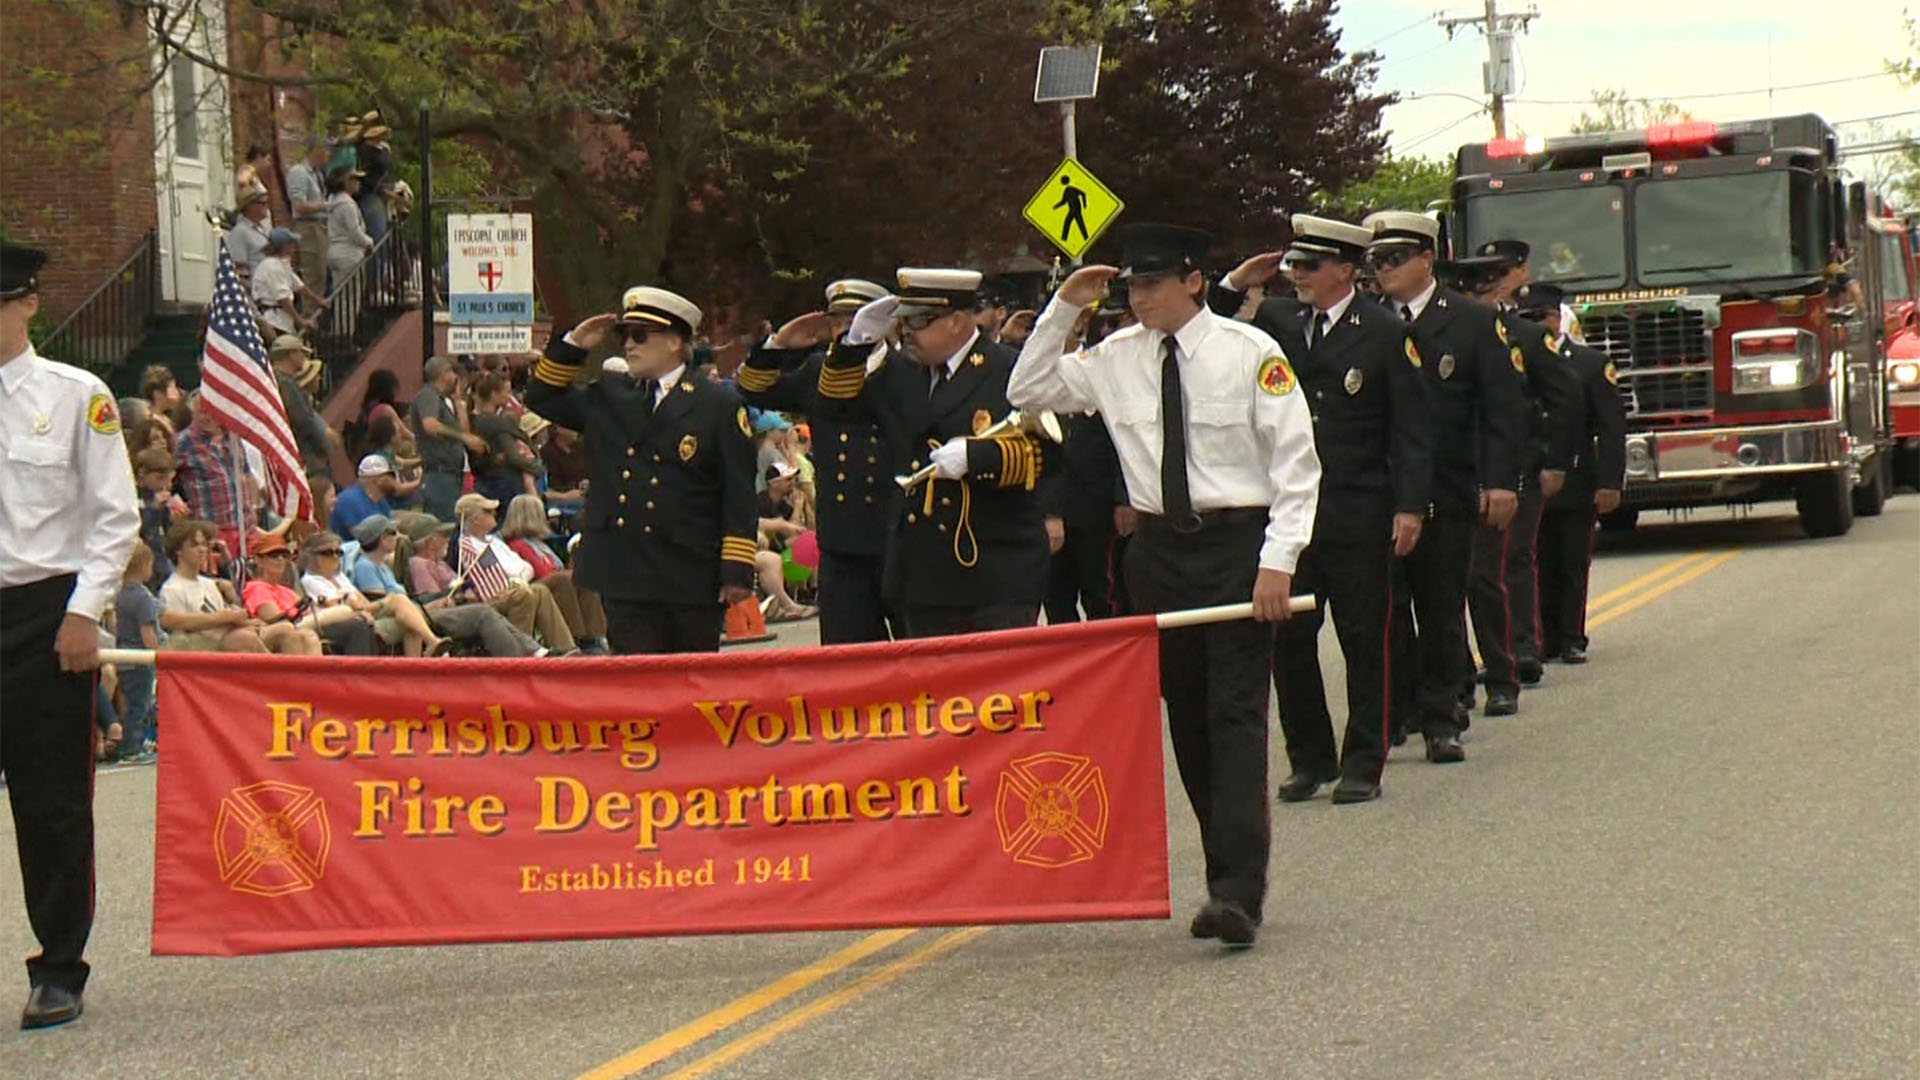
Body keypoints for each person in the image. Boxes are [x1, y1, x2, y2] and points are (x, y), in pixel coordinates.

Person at [1009, 224, 1321, 948]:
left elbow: (1296, 462)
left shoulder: (1252, 354)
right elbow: (1027, 389)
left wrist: (1280, 558)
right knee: (1188, 720)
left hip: (1238, 544)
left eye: (1152, 284)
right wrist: (1064, 308)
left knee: (1235, 714)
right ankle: (1224, 870)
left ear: (1193, 281)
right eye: (1131, 288)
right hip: (1159, 554)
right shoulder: (1115, 357)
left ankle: (1237, 890)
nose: (1140, 299)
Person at [1211, 214, 1433, 802]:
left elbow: (1411, 426)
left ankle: (1364, 760)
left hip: (1357, 508)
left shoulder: (1383, 331)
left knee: (1365, 639)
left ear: (1345, 269)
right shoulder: (1277, 323)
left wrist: (1410, 505)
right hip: (1289, 512)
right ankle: (1309, 758)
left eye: (1310, 266)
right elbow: (1205, 319)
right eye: (1293, 266)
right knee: (1287, 638)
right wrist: (1237, 281)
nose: (1297, 277)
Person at [0, 243, 141, 1029]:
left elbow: (113, 515)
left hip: (45, 612)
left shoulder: (76, 395)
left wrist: (86, 611)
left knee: (51, 803)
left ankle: (58, 965)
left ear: (26, 304)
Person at [1360, 211, 1529, 758]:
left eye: (1395, 259)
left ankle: (1441, 716)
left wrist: (1501, 480)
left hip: (1448, 486)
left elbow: (1501, 408)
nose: (1384, 270)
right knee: (1386, 609)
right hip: (1380, 490)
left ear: (1426, 259)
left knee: (1439, 605)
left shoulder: (1470, 321)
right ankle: (1398, 709)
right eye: (1376, 261)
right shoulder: (1366, 323)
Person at [816, 268, 1056, 638]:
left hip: (993, 563)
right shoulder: (900, 372)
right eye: (904, 321)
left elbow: (1048, 451)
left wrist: (977, 458)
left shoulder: (1008, 370)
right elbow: (837, 408)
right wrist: (855, 343)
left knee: (994, 690)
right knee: (934, 690)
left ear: (957, 321)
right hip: (922, 568)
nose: (908, 331)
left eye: (920, 321)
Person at [524, 287, 759, 654]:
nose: (628, 346)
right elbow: (541, 397)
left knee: (689, 684)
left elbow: (738, 491)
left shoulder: (717, 404)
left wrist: (736, 568)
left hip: (688, 569)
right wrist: (575, 345)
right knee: (637, 685)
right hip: (625, 567)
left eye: (639, 335)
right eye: (623, 336)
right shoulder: (612, 395)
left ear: (673, 342)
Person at [736, 277, 899, 643]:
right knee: (848, 656)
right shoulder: (816, 372)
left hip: (896, 534)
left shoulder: (904, 368)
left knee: (916, 658)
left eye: (852, 319)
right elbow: (752, 389)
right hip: (842, 537)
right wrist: (778, 345)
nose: (843, 329)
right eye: (836, 321)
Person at [1459, 246, 1582, 715]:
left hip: (1518, 469)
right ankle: (1464, 671)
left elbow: (1564, 398)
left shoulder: (1526, 337)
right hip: (1460, 471)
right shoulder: (1442, 335)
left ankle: (1519, 648)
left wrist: (1554, 461)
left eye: (1481, 288)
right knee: (1465, 575)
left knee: (1507, 562)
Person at [1512, 283, 1626, 666]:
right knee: (1535, 559)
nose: (1537, 324)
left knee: (1573, 560)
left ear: (1558, 317)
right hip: (1530, 475)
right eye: (1527, 318)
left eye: (1542, 316)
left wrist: (1610, 482)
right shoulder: (1513, 358)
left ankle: (1573, 635)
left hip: (1577, 477)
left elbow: (1611, 428)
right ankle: (1542, 637)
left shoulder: (1590, 363)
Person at [392, 515, 544, 657]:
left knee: (524, 596)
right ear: (431, 541)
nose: (448, 540)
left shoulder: (441, 564)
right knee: (483, 613)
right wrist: (458, 597)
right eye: (443, 536)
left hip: (465, 605)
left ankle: (536, 651)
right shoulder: (420, 565)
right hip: (439, 615)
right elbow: (430, 600)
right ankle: (518, 660)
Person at [452, 493, 579, 653]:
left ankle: (566, 647)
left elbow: (526, 567)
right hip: (488, 598)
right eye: (488, 512)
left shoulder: (494, 541)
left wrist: (514, 580)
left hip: (510, 589)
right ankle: (520, 653)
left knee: (539, 590)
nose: (494, 514)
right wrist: (466, 588)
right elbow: (457, 574)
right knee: (524, 594)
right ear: (475, 518)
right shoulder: (463, 545)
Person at [303, 521, 452, 657]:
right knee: (406, 611)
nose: (336, 557)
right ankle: (430, 643)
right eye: (328, 553)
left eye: (338, 552)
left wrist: (367, 606)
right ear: (312, 557)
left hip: (369, 612)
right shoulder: (313, 581)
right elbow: (342, 608)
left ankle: (421, 659)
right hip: (345, 625)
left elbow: (362, 601)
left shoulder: (340, 577)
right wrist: (379, 604)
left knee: (409, 612)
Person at [498, 493, 608, 651]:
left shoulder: (539, 544)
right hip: (531, 588)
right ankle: (577, 637)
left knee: (582, 576)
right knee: (563, 579)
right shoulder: (518, 545)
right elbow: (542, 572)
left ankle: (595, 635)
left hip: (554, 581)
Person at [412, 356, 485, 521]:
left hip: (452, 476)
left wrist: (458, 402)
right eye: (453, 372)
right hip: (439, 476)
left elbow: (464, 433)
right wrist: (463, 437)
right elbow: (430, 425)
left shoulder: (444, 401)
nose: (456, 378)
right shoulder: (428, 395)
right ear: (443, 373)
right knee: (443, 525)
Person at [267, 336, 334, 471]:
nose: (304, 357)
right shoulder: (286, 384)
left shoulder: (274, 379)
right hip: (304, 454)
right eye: (301, 352)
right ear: (291, 354)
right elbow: (303, 420)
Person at [252, 229, 327, 336]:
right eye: (291, 244)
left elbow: (299, 285)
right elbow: (283, 299)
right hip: (274, 321)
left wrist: (318, 300)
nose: (294, 247)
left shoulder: (282, 264)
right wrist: (300, 321)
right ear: (285, 246)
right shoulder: (272, 266)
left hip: (283, 321)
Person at [286, 135, 332, 298]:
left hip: (319, 226)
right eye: (327, 149)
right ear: (317, 150)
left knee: (321, 275)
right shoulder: (299, 172)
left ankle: (315, 318)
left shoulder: (317, 174)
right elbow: (299, 205)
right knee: (313, 275)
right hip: (308, 227)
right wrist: (325, 205)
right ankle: (309, 318)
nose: (329, 154)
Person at [324, 164, 374, 292]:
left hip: (335, 250)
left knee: (341, 296)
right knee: (351, 298)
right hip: (349, 254)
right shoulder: (347, 204)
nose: (358, 183)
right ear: (345, 182)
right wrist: (368, 242)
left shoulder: (333, 200)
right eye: (354, 179)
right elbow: (354, 232)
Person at [331, 453, 397, 537]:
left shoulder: (379, 498)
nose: (394, 480)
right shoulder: (350, 500)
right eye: (391, 476)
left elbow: (390, 527)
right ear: (379, 480)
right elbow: (363, 538)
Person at [224, 186, 273, 273]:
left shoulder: (263, 229)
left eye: (267, 202)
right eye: (263, 203)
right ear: (249, 206)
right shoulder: (240, 232)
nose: (267, 206)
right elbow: (239, 268)